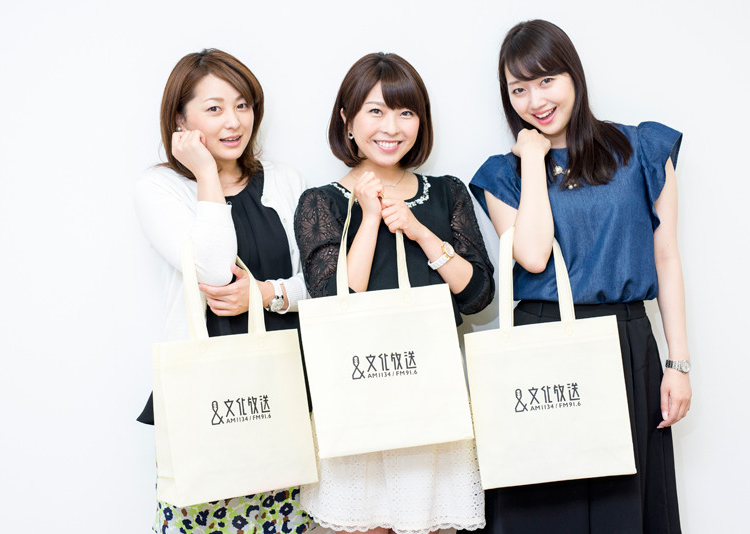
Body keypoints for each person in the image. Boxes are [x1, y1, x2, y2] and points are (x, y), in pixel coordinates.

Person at [466, 20, 691, 534]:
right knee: (544, 507)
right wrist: (532, 161)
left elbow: (666, 258)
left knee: (623, 506)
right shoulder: (503, 173)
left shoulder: (640, 149)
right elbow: (532, 255)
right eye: (518, 89)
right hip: (540, 341)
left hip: (626, 344)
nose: (535, 100)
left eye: (546, 80)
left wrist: (678, 363)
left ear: (574, 75)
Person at [293, 52, 493, 534]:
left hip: (432, 395)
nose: (392, 127)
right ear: (347, 119)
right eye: (376, 111)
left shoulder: (446, 191)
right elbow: (332, 301)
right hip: (358, 398)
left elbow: (478, 295)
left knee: (431, 522)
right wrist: (367, 218)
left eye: (405, 112)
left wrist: (421, 232)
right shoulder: (320, 201)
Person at [134, 49, 311, 534]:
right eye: (214, 108)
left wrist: (269, 293)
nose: (234, 122)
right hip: (204, 394)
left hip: (279, 389)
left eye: (243, 105)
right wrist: (208, 175)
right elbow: (212, 270)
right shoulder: (160, 188)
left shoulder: (285, 181)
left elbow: (319, 283)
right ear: (180, 119)